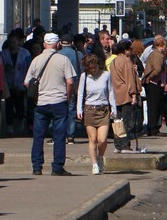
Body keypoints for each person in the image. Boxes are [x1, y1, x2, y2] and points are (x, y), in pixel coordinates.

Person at [24, 33, 78, 176]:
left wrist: (36, 95)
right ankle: (57, 167)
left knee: (38, 136)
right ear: (58, 44)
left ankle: (37, 167)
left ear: (44, 44)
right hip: (59, 101)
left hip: (41, 102)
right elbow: (70, 82)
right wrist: (68, 96)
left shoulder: (36, 60)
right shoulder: (63, 60)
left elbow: (26, 82)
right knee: (59, 136)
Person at [75, 51, 114, 174]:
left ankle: (100, 157)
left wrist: (113, 108)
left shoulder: (106, 75)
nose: (93, 70)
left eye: (94, 67)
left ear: (98, 64)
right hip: (89, 109)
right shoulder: (84, 77)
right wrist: (79, 109)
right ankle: (94, 164)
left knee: (102, 139)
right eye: (90, 68)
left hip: (103, 109)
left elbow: (111, 92)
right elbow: (80, 93)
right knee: (93, 139)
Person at [109, 38, 141, 150]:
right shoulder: (126, 61)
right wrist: (133, 94)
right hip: (125, 94)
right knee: (126, 120)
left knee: (117, 121)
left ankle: (118, 144)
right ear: (126, 50)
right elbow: (130, 79)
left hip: (115, 93)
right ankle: (125, 144)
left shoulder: (113, 61)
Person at [142, 35, 167, 136]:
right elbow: (157, 69)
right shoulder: (158, 55)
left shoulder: (153, 53)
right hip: (155, 83)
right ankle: (153, 128)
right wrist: (150, 77)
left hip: (153, 83)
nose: (165, 47)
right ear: (161, 45)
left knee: (152, 106)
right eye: (164, 45)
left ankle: (151, 127)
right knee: (155, 106)